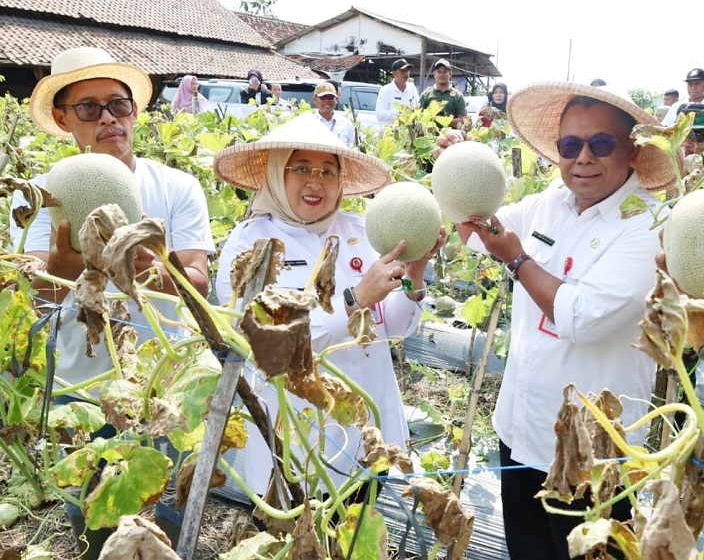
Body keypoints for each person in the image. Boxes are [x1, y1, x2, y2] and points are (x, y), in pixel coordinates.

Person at [447, 82, 679, 560]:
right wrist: (459, 169)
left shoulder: (649, 225)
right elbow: (474, 227)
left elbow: (582, 318)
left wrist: (517, 260)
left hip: (593, 457)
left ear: (633, 150)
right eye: (571, 146)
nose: (584, 158)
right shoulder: (548, 202)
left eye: (601, 143)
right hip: (522, 434)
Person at [9, 46, 215, 555]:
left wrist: (147, 269)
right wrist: (66, 271)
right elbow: (34, 287)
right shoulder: (39, 194)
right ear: (62, 118)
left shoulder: (178, 186)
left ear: (134, 112)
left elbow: (199, 280)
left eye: (118, 105)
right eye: (88, 108)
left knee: (161, 523)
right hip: (80, 386)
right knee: (92, 518)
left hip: (163, 384)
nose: (107, 118)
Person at [212, 111, 443, 505]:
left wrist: (415, 279)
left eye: (327, 172)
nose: (315, 182)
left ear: (340, 183)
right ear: (277, 176)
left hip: (367, 435)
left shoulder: (363, 231)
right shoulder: (250, 246)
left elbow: (394, 329)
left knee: (357, 536)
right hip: (297, 441)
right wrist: (353, 301)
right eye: (300, 168)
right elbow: (272, 346)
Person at [419, 58, 467, 129]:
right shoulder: (425, 95)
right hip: (429, 137)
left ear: (450, 74)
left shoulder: (458, 96)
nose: (441, 74)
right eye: (439, 72)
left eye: (444, 72)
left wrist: (443, 119)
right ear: (434, 74)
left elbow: (463, 121)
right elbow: (418, 118)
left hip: (451, 137)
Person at [375, 58, 419, 125]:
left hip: (410, 132)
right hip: (391, 132)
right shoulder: (385, 90)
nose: (406, 73)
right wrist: (400, 112)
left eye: (407, 70)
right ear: (394, 73)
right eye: (403, 71)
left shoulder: (412, 88)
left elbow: (418, 109)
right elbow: (379, 115)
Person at [313, 81, 356, 146]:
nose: (327, 100)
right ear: (314, 99)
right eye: (323, 97)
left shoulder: (347, 125)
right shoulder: (308, 123)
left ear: (337, 99)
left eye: (330, 97)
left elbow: (352, 150)